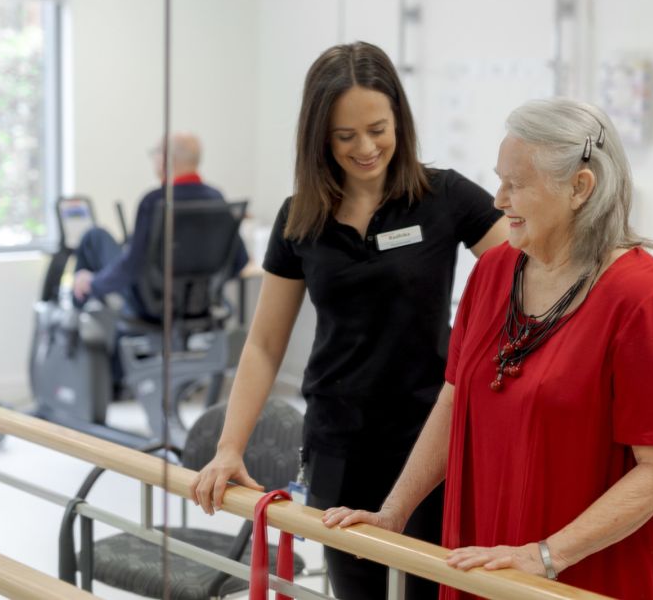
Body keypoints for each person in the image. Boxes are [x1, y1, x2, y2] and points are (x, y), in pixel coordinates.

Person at [322, 99, 653, 600]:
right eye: (499, 179)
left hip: (602, 559)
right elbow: (454, 399)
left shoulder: (641, 298)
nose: (498, 199)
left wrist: (546, 555)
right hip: (506, 540)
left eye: (517, 184)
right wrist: (393, 512)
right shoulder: (493, 272)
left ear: (580, 188)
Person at [190, 42, 510, 600]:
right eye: (345, 136)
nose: (366, 148)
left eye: (378, 129)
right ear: (320, 137)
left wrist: (628, 279)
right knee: (357, 590)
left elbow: (540, 262)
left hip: (429, 440)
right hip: (340, 443)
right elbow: (265, 344)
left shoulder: (445, 197)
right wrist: (229, 447)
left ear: (399, 122)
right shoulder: (300, 219)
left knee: (430, 591)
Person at [72, 130, 248, 320]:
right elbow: (240, 260)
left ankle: (77, 301)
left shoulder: (154, 201)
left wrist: (94, 283)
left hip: (151, 305)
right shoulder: (216, 199)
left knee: (94, 236)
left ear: (165, 159)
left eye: (155, 153)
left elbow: (131, 267)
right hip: (199, 304)